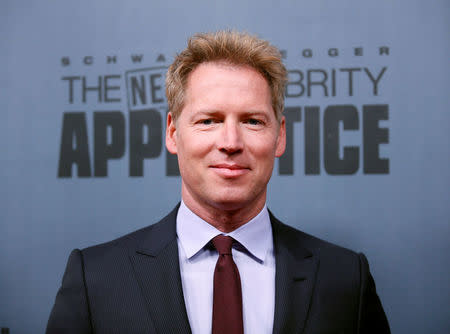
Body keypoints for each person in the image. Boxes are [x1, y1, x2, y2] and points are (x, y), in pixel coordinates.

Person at [47, 31, 390, 334]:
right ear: (173, 133)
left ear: (280, 136)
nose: (230, 141)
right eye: (209, 120)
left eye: (253, 121)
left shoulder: (346, 277)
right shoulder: (96, 279)